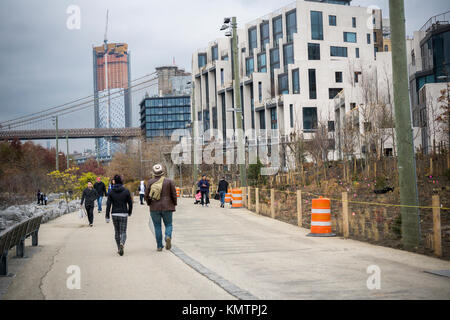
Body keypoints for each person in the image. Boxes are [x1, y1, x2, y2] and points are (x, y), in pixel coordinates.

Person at [145, 164, 177, 252]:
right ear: (162, 172)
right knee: (169, 224)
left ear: (154, 173)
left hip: (154, 208)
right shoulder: (169, 181)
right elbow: (174, 194)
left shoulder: (150, 182)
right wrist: (174, 204)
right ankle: (167, 236)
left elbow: (146, 195)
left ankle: (159, 246)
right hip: (167, 207)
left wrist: (149, 203)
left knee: (157, 226)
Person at [106, 174, 133, 256]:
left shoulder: (111, 192)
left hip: (114, 213)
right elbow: (130, 203)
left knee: (117, 232)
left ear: (114, 181)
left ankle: (119, 248)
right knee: (123, 231)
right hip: (123, 213)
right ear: (121, 181)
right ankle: (122, 243)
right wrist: (129, 211)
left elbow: (108, 205)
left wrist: (107, 216)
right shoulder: (126, 191)